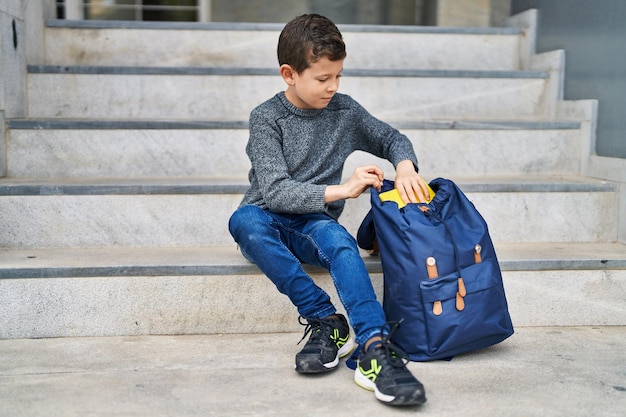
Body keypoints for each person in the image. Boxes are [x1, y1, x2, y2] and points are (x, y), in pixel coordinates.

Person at [228, 13, 429, 407]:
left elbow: (391, 138)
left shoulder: (344, 111)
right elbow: (277, 192)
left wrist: (404, 164)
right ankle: (326, 321)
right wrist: (344, 189)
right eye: (322, 79)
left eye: (338, 76)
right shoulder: (266, 118)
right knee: (243, 221)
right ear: (289, 74)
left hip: (315, 224)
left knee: (338, 240)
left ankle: (374, 346)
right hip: (267, 218)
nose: (332, 87)